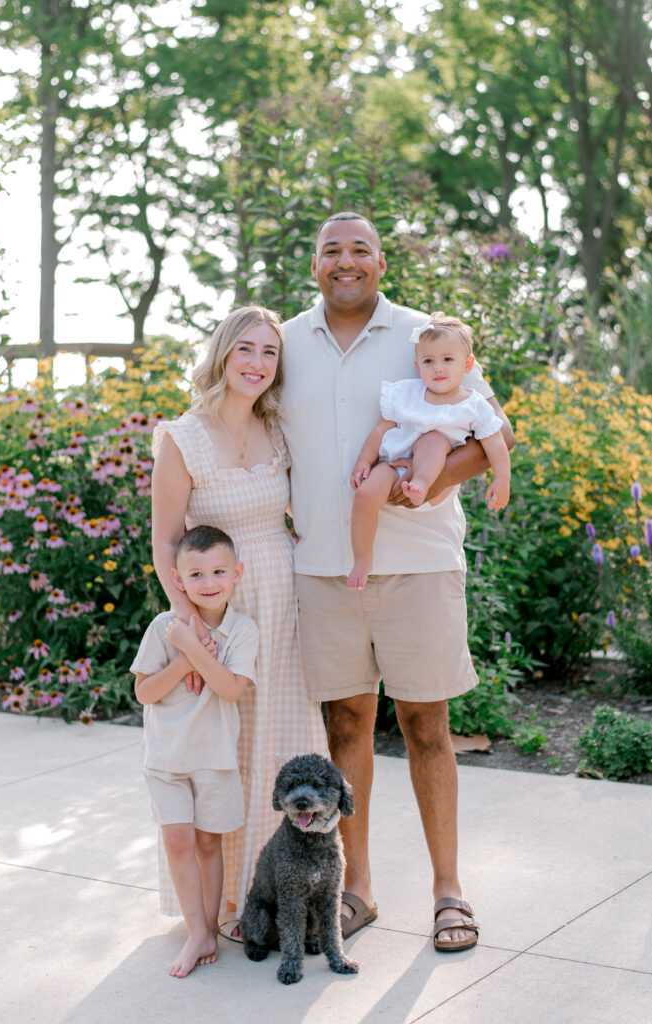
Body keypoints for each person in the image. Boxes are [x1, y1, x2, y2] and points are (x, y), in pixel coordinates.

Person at [280, 211, 514, 951]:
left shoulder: (426, 337)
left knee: (425, 727)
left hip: (420, 566)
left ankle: (447, 892)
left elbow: (491, 436)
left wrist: (431, 481)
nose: (345, 261)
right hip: (323, 568)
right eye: (330, 250)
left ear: (381, 263)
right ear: (313, 263)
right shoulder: (281, 343)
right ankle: (357, 889)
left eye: (359, 250)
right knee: (345, 725)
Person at [150, 305, 328, 940]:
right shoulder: (183, 436)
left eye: (270, 353)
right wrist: (189, 626)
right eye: (246, 349)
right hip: (219, 608)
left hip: (283, 599)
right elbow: (166, 540)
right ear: (223, 353)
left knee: (282, 734)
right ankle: (230, 900)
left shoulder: (277, 430)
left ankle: (289, 891)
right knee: (228, 743)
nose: (258, 363)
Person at [132, 525, 258, 977]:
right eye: (197, 574)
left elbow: (228, 689)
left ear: (237, 573)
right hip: (166, 758)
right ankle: (197, 933)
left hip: (215, 757)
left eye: (219, 571)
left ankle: (208, 928)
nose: (209, 583)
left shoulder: (243, 632)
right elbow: (144, 692)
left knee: (209, 842)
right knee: (178, 839)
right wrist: (184, 656)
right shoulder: (164, 628)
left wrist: (196, 650)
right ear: (178, 580)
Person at [347, 311, 510, 590]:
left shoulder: (473, 404)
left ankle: (419, 484)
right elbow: (381, 428)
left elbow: (495, 441)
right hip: (392, 462)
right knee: (364, 495)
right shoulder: (406, 393)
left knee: (434, 439)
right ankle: (362, 559)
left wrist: (502, 479)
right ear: (417, 365)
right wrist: (364, 461)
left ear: (467, 364)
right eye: (428, 361)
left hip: (433, 466)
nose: (438, 368)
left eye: (448, 360)